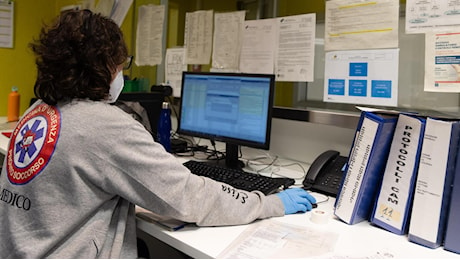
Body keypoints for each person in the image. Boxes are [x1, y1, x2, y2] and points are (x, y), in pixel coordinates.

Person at [0, 9, 316, 258]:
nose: (121, 73)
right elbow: (191, 198)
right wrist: (271, 204)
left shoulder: (38, 110)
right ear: (101, 66)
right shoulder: (102, 125)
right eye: (119, 65)